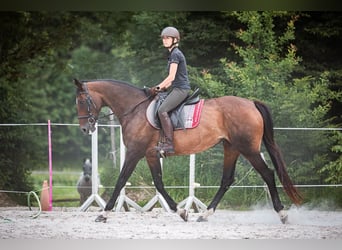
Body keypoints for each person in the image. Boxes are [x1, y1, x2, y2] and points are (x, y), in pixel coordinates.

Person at [152, 26, 191, 154]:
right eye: (163, 38)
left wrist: (157, 87)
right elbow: (171, 81)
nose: (165, 40)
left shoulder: (175, 54)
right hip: (176, 88)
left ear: (175, 39)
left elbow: (171, 77)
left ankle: (169, 144)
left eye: (167, 38)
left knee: (162, 110)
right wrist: (160, 89)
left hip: (181, 89)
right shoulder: (172, 54)